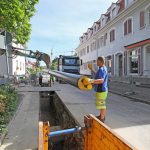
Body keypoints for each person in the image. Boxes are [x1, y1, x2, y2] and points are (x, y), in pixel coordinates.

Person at [88, 56, 108, 123]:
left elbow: (101, 80)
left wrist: (91, 81)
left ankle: (102, 118)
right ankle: (101, 116)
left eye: (98, 61)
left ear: (101, 62)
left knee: (102, 104)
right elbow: (97, 74)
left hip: (101, 90)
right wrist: (91, 69)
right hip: (101, 89)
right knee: (100, 104)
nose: (96, 63)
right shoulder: (101, 68)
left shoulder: (102, 69)